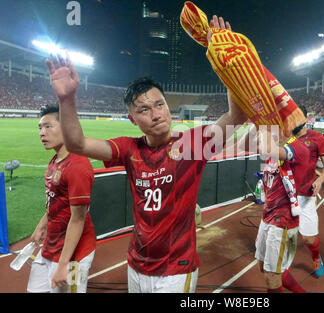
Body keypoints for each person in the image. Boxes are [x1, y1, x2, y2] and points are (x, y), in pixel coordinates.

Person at [45, 16, 248, 293]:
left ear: (167, 106)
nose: (156, 114)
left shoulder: (192, 144)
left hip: (177, 268)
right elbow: (78, 144)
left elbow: (237, 115)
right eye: (144, 110)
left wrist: (229, 66)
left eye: (159, 104)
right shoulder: (129, 149)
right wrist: (67, 99)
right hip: (136, 265)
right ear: (132, 119)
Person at [27, 104, 96, 293]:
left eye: (48, 126)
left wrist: (64, 264)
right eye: (40, 127)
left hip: (74, 255)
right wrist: (42, 225)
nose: (42, 132)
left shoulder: (77, 166)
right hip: (52, 244)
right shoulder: (56, 160)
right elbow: (56, 200)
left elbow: (78, 219)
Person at [243, 126, 309, 293]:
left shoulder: (298, 148)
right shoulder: (271, 154)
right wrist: (254, 125)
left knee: (271, 275)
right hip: (267, 216)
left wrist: (262, 121)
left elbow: (268, 148)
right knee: (264, 268)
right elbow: (246, 145)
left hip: (283, 220)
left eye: (277, 127)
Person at [287, 105, 324, 278]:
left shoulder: (317, 138)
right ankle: (285, 263)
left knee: (308, 239)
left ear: (305, 118)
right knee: (287, 235)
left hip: (306, 195)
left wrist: (319, 180)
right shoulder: (285, 138)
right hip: (285, 195)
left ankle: (316, 257)